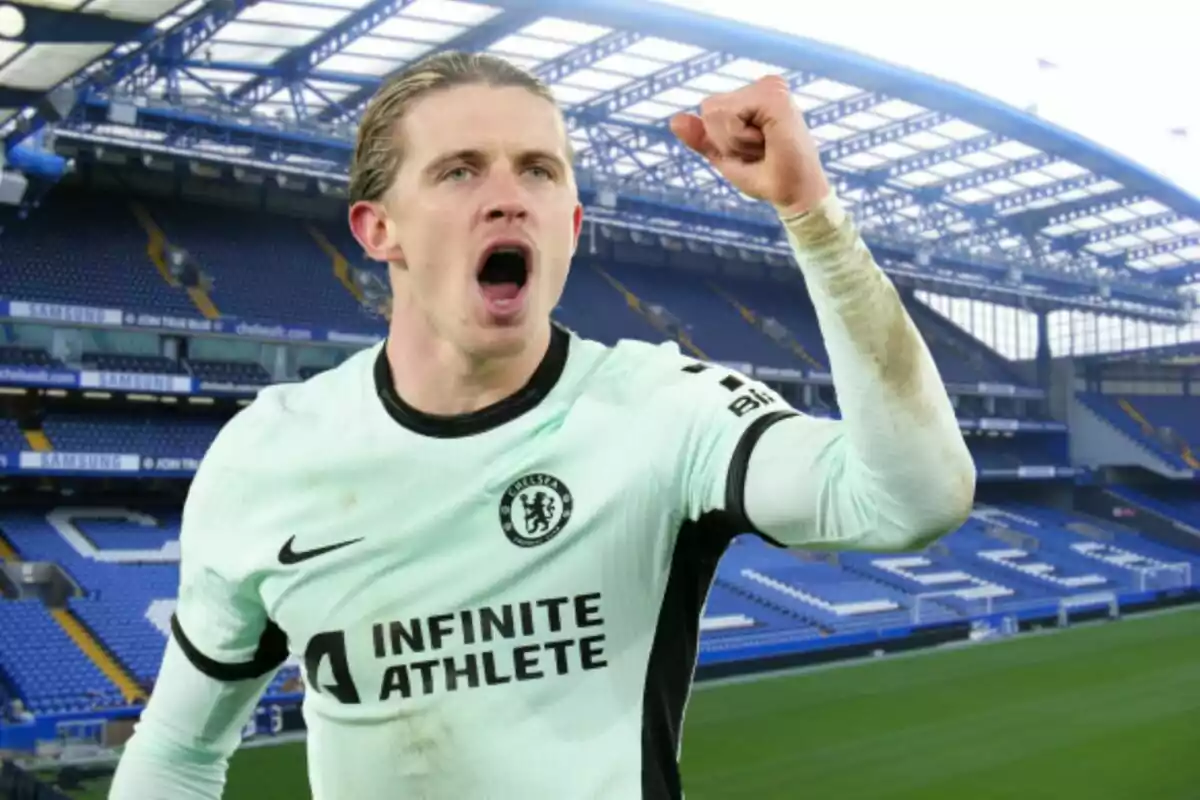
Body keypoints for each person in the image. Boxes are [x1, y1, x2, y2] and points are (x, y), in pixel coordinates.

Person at [108, 51, 975, 800]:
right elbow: (179, 752)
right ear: (379, 229)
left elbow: (911, 498)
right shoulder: (267, 457)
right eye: (458, 171)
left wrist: (811, 217)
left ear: (570, 225)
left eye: (538, 170)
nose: (507, 198)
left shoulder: (663, 410)